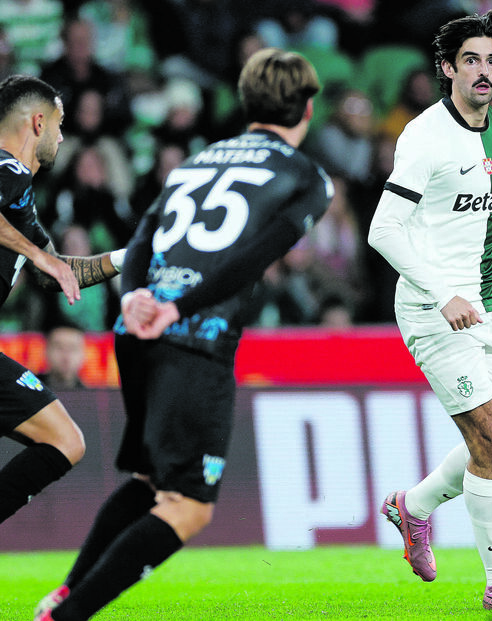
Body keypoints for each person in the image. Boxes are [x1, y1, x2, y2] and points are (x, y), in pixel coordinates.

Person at [34, 47, 333, 621]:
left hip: (136, 326)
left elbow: (144, 236)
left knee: (151, 482)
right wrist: (180, 308)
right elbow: (254, 257)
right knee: (189, 505)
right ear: (308, 108)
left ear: (246, 102)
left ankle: (66, 594)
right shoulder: (306, 177)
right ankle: (68, 617)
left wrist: (136, 298)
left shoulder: (201, 159)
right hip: (195, 336)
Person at [367, 9, 492, 611]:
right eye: (470, 60)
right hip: (432, 309)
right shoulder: (424, 136)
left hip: (488, 302)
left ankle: (410, 508)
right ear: (447, 68)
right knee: (489, 439)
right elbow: (383, 230)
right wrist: (443, 294)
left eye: (491, 59)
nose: (483, 71)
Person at [0, 74, 124, 527]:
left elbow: (54, 275)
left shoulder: (18, 196)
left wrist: (127, 258)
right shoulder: (6, 168)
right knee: (64, 440)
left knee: (65, 440)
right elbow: (42, 261)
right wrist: (37, 254)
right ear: (37, 122)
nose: (62, 134)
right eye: (59, 123)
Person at [38, 322, 87, 390]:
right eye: (59, 347)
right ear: (46, 350)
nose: (66, 356)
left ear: (83, 354)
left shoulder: (91, 397)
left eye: (73, 348)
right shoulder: (29, 390)